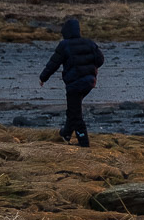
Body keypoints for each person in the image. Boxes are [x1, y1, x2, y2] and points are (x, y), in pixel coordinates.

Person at [39, 17, 104, 147]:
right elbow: (100, 59)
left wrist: (43, 78)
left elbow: (54, 63)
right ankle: (66, 134)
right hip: (89, 82)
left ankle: (84, 143)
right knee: (73, 109)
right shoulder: (89, 43)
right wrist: (91, 69)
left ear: (66, 32)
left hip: (75, 84)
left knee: (76, 114)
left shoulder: (65, 45)